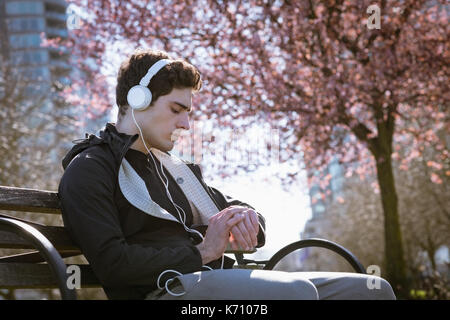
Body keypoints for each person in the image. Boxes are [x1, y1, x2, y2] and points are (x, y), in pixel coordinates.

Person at [58, 48, 396, 300]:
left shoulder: (176, 170)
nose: (186, 124)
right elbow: (113, 264)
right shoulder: (89, 169)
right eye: (177, 109)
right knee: (295, 294)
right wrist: (203, 252)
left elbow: (229, 207)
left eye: (188, 113)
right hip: (164, 292)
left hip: (213, 282)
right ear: (138, 99)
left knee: (373, 290)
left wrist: (249, 219)